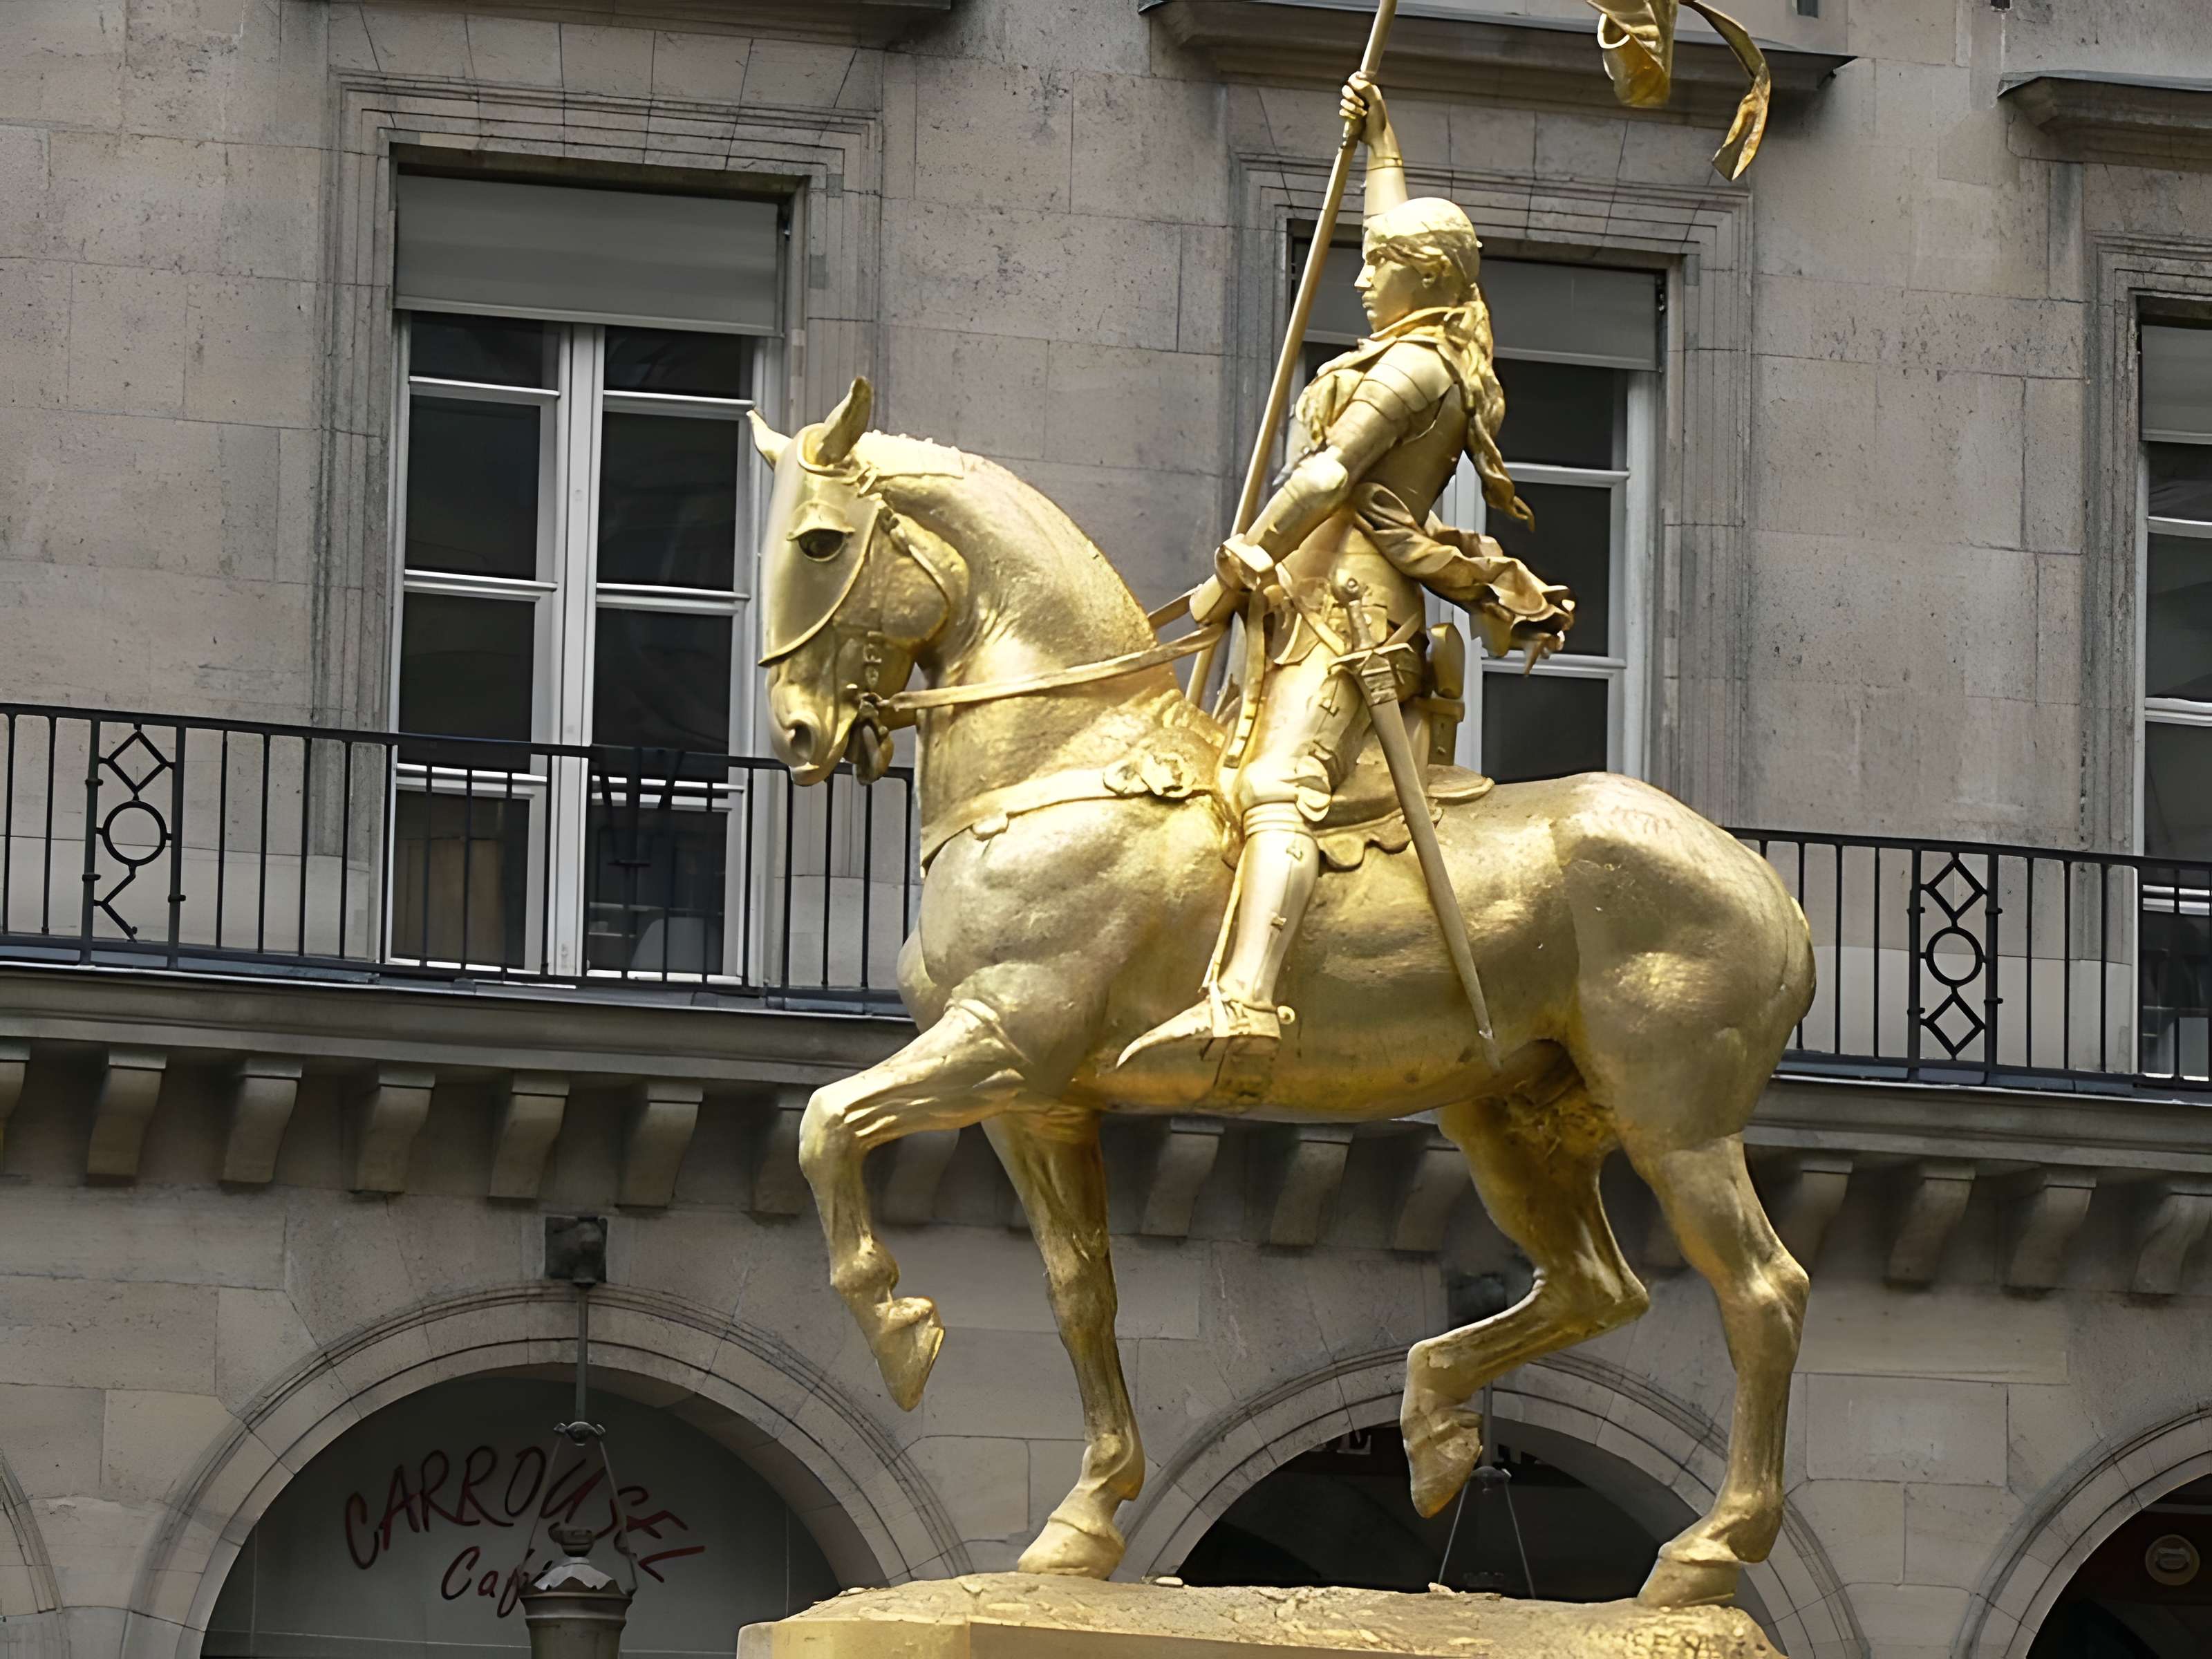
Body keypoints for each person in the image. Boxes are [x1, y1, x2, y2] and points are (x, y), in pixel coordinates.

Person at [1123, 74, 1576, 1068]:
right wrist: (1381, 148)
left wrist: (1253, 550)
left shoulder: (1418, 370)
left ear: (1424, 277)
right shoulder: (1411, 342)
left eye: (1381, 268)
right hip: (1304, 598)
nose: (1363, 280)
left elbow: (1329, 473)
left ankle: (1245, 997)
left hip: (1351, 607)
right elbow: (1394, 232)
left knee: (1280, 787)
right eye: (1366, 264)